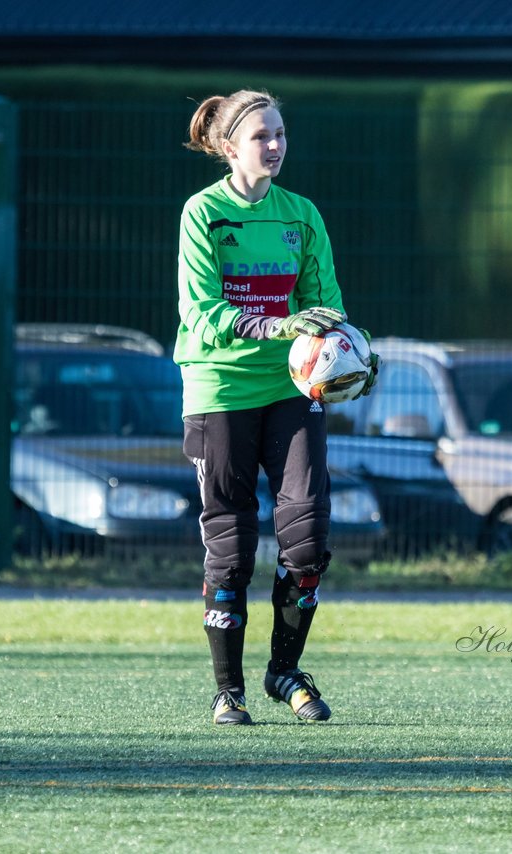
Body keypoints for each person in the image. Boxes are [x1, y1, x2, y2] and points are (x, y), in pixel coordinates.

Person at [175, 89, 378, 725]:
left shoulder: (302, 215)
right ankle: (227, 690)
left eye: (281, 133)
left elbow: (326, 306)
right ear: (229, 146)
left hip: (292, 391)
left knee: (308, 538)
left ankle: (284, 672)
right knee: (231, 543)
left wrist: (346, 357)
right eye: (262, 136)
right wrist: (273, 327)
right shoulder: (202, 213)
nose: (276, 145)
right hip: (221, 391)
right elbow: (200, 310)